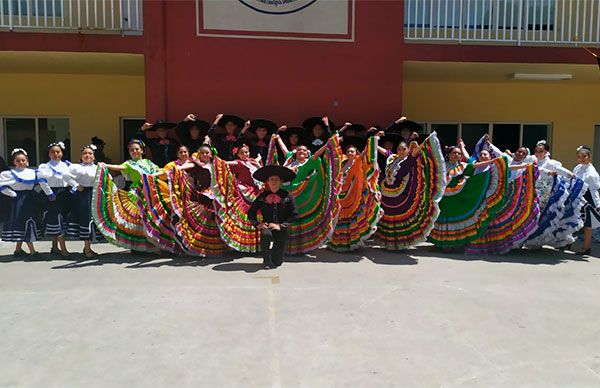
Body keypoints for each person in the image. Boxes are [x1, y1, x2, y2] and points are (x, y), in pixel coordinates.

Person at [464, 135, 540, 255]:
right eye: (519, 151)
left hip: (504, 195)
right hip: (488, 195)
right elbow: (498, 153)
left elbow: (512, 170)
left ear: (525, 156)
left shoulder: (517, 167)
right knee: (483, 219)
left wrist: (526, 167)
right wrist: (488, 143)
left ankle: (498, 244)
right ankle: (479, 243)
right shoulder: (503, 160)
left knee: (498, 220)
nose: (520, 154)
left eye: (523, 153)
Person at [270, 130, 343, 254]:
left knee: (298, 220)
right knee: (286, 220)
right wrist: (277, 139)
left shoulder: (307, 163)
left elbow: (317, 155)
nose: (301, 151)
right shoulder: (289, 161)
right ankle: (286, 247)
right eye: (299, 150)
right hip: (285, 194)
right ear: (295, 152)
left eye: (304, 150)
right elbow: (284, 150)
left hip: (301, 196)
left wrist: (329, 143)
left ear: (307, 153)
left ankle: (299, 247)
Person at [428, 140, 509, 250]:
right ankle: (439, 242)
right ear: (449, 154)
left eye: (459, 153)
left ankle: (450, 244)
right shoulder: (441, 165)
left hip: (455, 196)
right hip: (441, 196)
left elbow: (475, 166)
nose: (457, 155)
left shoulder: (463, 166)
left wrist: (495, 160)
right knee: (440, 217)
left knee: (452, 218)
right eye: (454, 153)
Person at [375, 130, 446, 250]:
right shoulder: (393, 158)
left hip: (402, 196)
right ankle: (389, 242)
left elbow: (417, 150)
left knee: (399, 220)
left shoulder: (409, 159)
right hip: (387, 195)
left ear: (408, 150)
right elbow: (383, 151)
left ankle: (400, 244)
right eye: (399, 149)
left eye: (404, 149)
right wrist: (374, 140)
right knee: (388, 218)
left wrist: (428, 140)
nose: (401, 151)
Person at [93, 139, 159, 252]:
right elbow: (119, 168)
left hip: (151, 193)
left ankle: (153, 245)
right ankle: (138, 247)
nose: (134, 151)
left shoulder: (149, 163)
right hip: (137, 194)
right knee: (138, 220)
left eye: (137, 149)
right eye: (132, 150)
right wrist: (105, 165)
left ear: (142, 150)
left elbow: (158, 172)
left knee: (151, 219)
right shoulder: (129, 163)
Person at [328, 123, 383, 252]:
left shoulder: (358, 161)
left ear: (355, 152)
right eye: (348, 151)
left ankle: (353, 242)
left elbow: (366, 153)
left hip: (355, 194)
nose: (350, 153)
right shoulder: (342, 162)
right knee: (341, 219)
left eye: (352, 151)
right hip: (342, 195)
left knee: (353, 219)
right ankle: (339, 243)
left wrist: (374, 139)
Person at [525, 140, 586, 249]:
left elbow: (559, 169)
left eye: (541, 151)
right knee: (536, 216)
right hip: (534, 192)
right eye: (536, 151)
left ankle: (561, 240)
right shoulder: (533, 160)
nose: (538, 153)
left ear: (546, 152)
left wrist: (569, 174)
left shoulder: (550, 163)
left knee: (548, 218)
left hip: (547, 194)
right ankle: (535, 241)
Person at [248, 165, 298, 269]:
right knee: (266, 235)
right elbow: (251, 212)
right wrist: (258, 224)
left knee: (277, 262)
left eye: (276, 179)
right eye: (271, 179)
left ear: (281, 181)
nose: (274, 181)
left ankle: (274, 257)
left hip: (281, 227)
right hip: (267, 226)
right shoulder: (262, 196)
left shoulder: (288, 196)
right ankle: (266, 259)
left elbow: (294, 215)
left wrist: (281, 226)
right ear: (267, 181)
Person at [0, 149, 41, 258]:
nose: (21, 162)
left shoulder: (32, 172)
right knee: (24, 223)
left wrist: (36, 193)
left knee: (26, 222)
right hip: (18, 201)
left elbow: (39, 184)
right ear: (14, 162)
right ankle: (33, 252)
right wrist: (13, 194)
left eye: (23, 160)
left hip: (29, 200)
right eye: (18, 160)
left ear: (27, 160)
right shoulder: (9, 174)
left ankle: (18, 250)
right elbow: (3, 187)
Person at [64, 145, 100, 258]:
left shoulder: (98, 167)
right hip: (83, 195)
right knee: (85, 219)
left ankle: (88, 247)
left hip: (94, 195)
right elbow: (65, 176)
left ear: (94, 157)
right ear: (81, 156)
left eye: (90, 153)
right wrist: (76, 185)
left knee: (93, 219)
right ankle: (87, 248)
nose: (87, 155)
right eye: (85, 153)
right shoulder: (77, 167)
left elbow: (107, 178)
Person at [37, 142, 71, 257]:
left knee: (62, 219)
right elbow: (42, 181)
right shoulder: (44, 166)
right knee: (57, 219)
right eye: (53, 152)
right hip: (52, 194)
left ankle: (55, 247)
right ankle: (64, 250)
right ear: (49, 154)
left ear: (61, 153)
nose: (56, 154)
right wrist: (49, 193)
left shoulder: (66, 165)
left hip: (64, 194)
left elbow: (71, 178)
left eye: (58, 152)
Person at [573, 145, 600, 255]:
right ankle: (567, 241)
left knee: (588, 224)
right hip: (577, 196)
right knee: (573, 220)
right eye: (579, 156)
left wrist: (598, 203)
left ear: (589, 157)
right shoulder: (577, 168)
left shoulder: (592, 173)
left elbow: (594, 189)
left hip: (588, 198)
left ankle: (586, 247)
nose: (582, 159)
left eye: (584, 156)